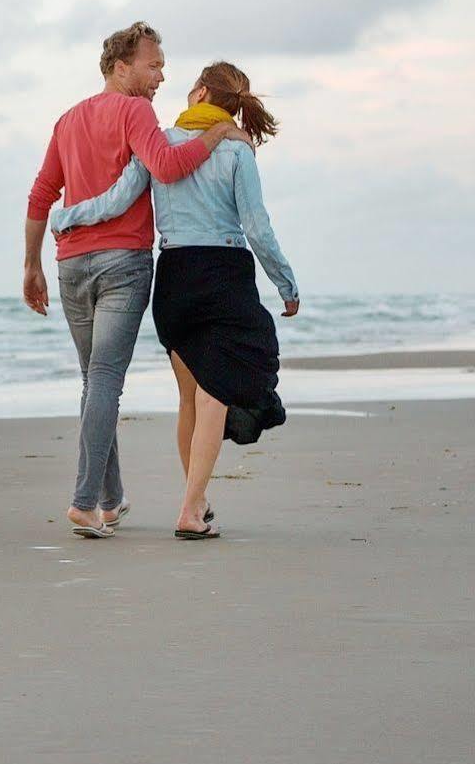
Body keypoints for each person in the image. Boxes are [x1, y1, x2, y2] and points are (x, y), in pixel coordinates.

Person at [50, 61, 298, 541]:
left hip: (175, 278)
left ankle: (197, 502)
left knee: (190, 396)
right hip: (223, 275)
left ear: (200, 92)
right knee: (215, 395)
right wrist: (286, 284)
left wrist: (69, 215)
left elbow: (117, 200)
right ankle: (189, 508)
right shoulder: (235, 149)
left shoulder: (159, 143)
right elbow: (257, 228)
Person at [23, 22, 247, 540]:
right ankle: (83, 502)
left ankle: (110, 498)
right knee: (103, 381)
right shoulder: (134, 111)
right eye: (153, 66)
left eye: (164, 68)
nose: (160, 77)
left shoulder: (67, 119)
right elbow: (167, 167)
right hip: (121, 263)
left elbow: (40, 195)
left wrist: (32, 263)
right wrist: (217, 132)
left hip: (70, 266)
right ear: (120, 66)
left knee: (94, 381)